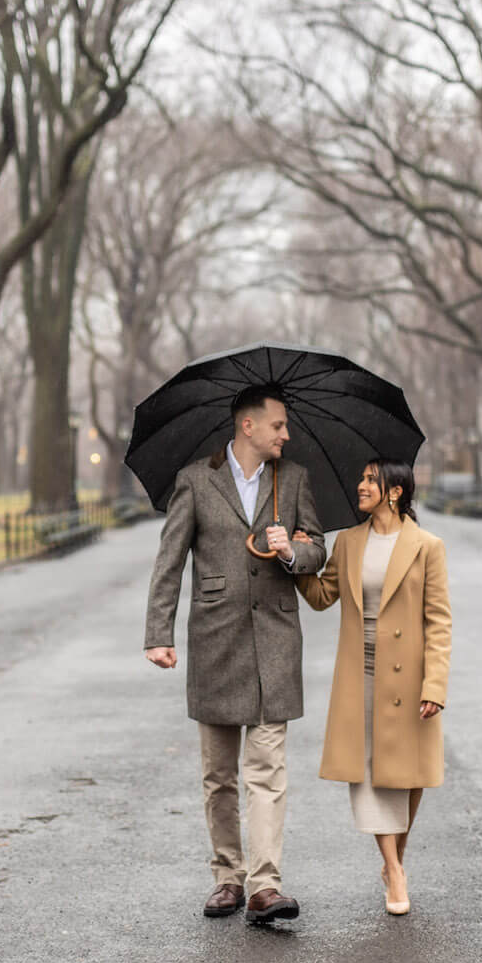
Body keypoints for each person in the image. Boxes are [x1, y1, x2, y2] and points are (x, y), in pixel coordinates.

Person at [144, 384, 327, 925]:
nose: (286, 434)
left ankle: (265, 886)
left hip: (274, 641)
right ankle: (228, 877)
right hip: (215, 641)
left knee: (267, 769)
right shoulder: (196, 481)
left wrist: (293, 549)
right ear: (248, 426)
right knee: (218, 774)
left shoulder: (291, 479)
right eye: (278, 426)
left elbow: (318, 547)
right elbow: (169, 559)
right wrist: (159, 633)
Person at [293, 459, 451, 915]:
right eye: (359, 477)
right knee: (370, 773)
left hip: (411, 678)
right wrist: (295, 559)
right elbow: (323, 597)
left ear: (395, 491)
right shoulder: (349, 542)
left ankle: (394, 859)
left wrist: (435, 684)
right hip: (361, 676)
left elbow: (439, 620)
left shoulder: (427, 547)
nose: (360, 486)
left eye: (369, 479)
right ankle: (394, 870)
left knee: (411, 778)